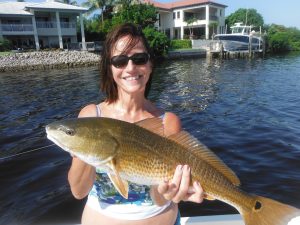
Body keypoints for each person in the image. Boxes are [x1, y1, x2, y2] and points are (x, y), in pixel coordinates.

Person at [68, 23, 205, 225]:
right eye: (119, 60)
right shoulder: (91, 116)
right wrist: (88, 146)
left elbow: (159, 199)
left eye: (139, 59)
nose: (130, 68)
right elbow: (78, 191)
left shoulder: (167, 121)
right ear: (110, 68)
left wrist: (171, 192)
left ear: (150, 65)